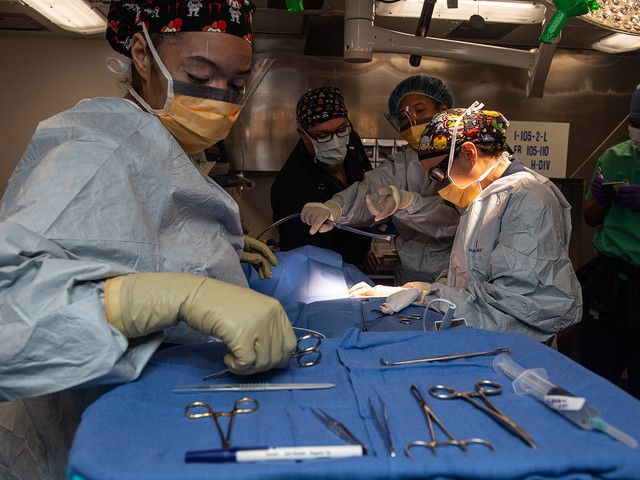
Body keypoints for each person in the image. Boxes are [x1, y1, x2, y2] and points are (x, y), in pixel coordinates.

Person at [352, 105, 582, 343]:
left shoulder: (529, 199)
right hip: (482, 337)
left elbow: (517, 306)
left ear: (469, 153)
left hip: (516, 351)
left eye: (438, 175)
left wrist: (428, 298)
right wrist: (425, 289)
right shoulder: (484, 198)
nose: (438, 186)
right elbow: (473, 273)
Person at [300, 75, 460, 284]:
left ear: (443, 110)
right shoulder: (402, 162)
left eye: (420, 111)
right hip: (409, 275)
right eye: (403, 117)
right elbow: (370, 189)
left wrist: (409, 203)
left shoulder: (464, 157)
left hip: (453, 273)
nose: (412, 122)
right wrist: (336, 208)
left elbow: (454, 219)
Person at [270, 86, 376, 273]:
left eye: (341, 129)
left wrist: (364, 248)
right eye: (323, 135)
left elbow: (368, 186)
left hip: (355, 259)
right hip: (319, 271)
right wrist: (348, 276)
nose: (336, 141)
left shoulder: (350, 140)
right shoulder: (291, 186)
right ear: (303, 135)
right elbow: (310, 256)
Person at [578, 84, 640, 399]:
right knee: (593, 378)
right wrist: (601, 199)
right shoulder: (615, 157)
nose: (637, 131)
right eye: (635, 123)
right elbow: (590, 217)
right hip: (611, 281)